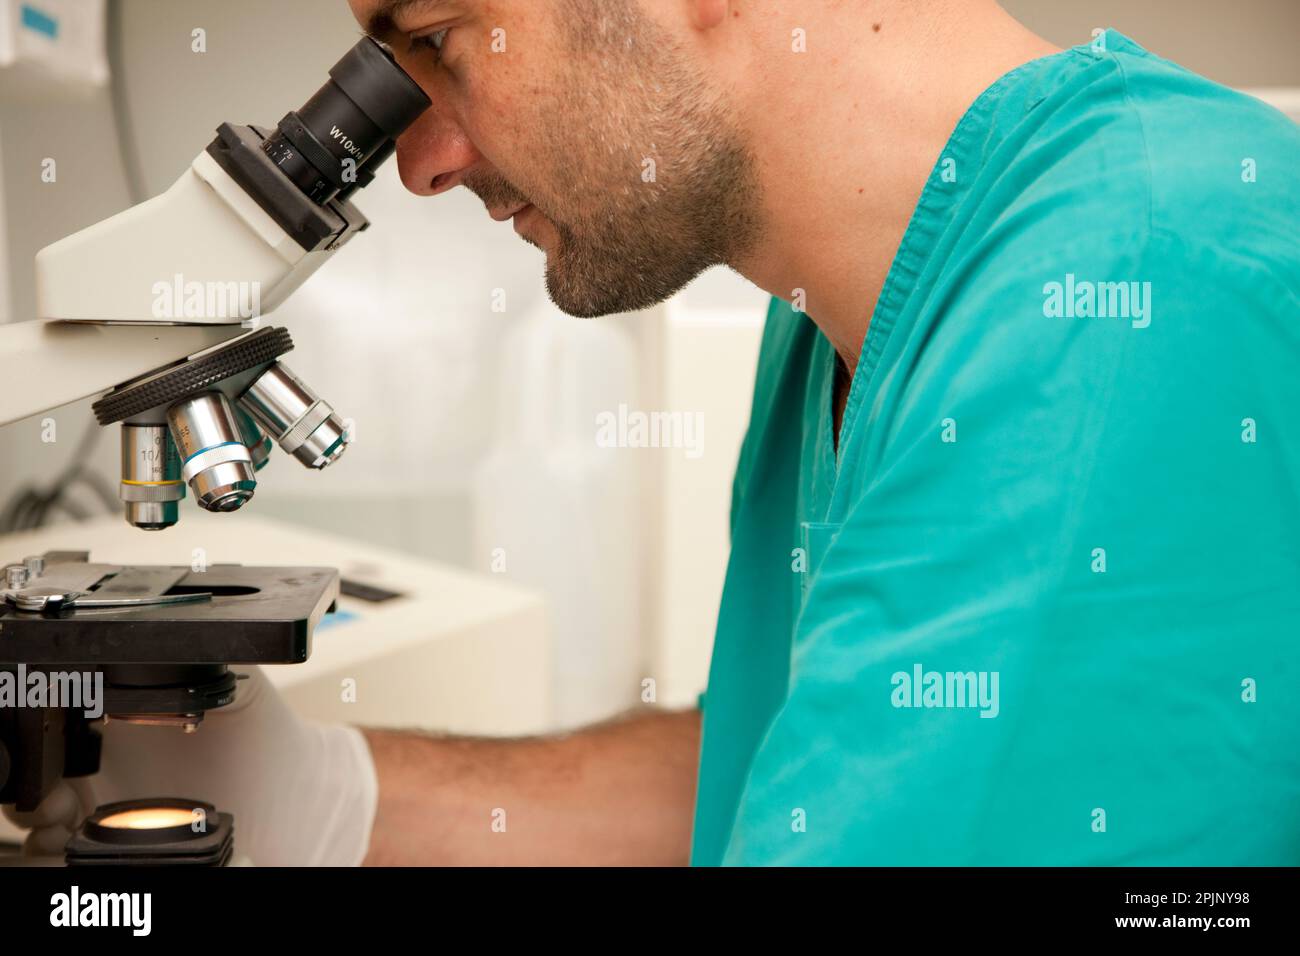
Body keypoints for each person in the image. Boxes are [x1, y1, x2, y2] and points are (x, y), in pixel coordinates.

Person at [10, 0, 1299, 866]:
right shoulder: (840, 314)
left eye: (439, 39)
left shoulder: (1132, 296)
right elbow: (783, 767)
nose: (419, 162)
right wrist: (326, 793)